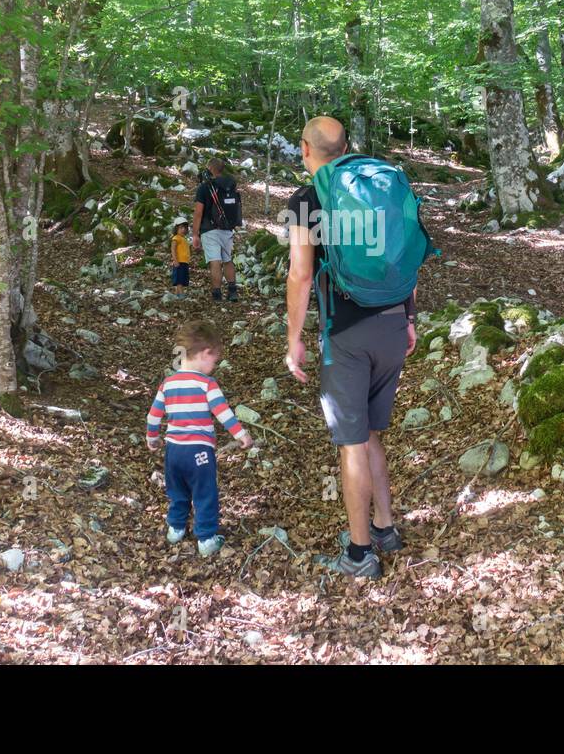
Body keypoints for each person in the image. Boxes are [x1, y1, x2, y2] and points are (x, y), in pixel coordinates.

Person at [283, 116, 417, 579]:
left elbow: (301, 275)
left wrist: (294, 338)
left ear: (305, 149)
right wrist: (410, 317)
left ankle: (360, 555)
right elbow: (401, 255)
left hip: (347, 334)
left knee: (352, 443)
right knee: (373, 433)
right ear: (347, 147)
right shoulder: (379, 186)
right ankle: (385, 528)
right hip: (394, 324)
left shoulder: (307, 200)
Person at [145, 320, 252, 556]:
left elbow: (153, 415)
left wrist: (152, 438)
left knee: (177, 491)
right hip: (199, 452)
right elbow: (224, 414)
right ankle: (205, 538)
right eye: (214, 360)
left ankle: (175, 529)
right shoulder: (207, 384)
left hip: (173, 451)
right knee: (204, 492)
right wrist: (241, 435)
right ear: (205, 354)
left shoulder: (168, 384)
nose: (213, 366)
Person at [192, 158, 242, 302]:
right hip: (227, 227)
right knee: (227, 259)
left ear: (210, 168)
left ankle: (217, 294)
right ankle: (232, 291)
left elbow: (198, 213)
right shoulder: (230, 185)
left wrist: (195, 234)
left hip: (210, 229)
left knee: (215, 261)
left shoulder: (204, 187)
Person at [168, 221, 191, 298]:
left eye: (185, 228)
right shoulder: (176, 238)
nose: (183, 229)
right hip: (179, 261)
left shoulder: (184, 239)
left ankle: (177, 294)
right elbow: (173, 249)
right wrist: (175, 260)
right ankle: (181, 294)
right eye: (181, 228)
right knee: (179, 279)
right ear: (176, 228)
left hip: (185, 262)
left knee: (183, 278)